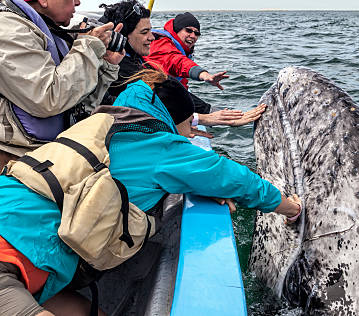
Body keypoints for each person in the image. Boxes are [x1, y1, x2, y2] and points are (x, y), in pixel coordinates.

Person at [0, 68, 302, 316]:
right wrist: (291, 208)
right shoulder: (161, 146)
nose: (189, 133)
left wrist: (193, 183)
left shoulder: (102, 122)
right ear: (173, 119)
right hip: (17, 254)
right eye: (187, 125)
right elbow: (234, 178)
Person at [0, 0, 123, 170]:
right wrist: (87, 46)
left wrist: (104, 65)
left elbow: (76, 105)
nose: (77, 2)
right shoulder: (8, 31)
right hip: (15, 162)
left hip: (46, 155)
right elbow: (47, 99)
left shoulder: (48, 32)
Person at [100, 0, 265, 128]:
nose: (151, 37)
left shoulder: (132, 57)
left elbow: (168, 90)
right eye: (144, 32)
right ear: (120, 37)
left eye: (197, 33)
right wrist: (205, 117)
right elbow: (164, 82)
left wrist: (206, 114)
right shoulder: (127, 64)